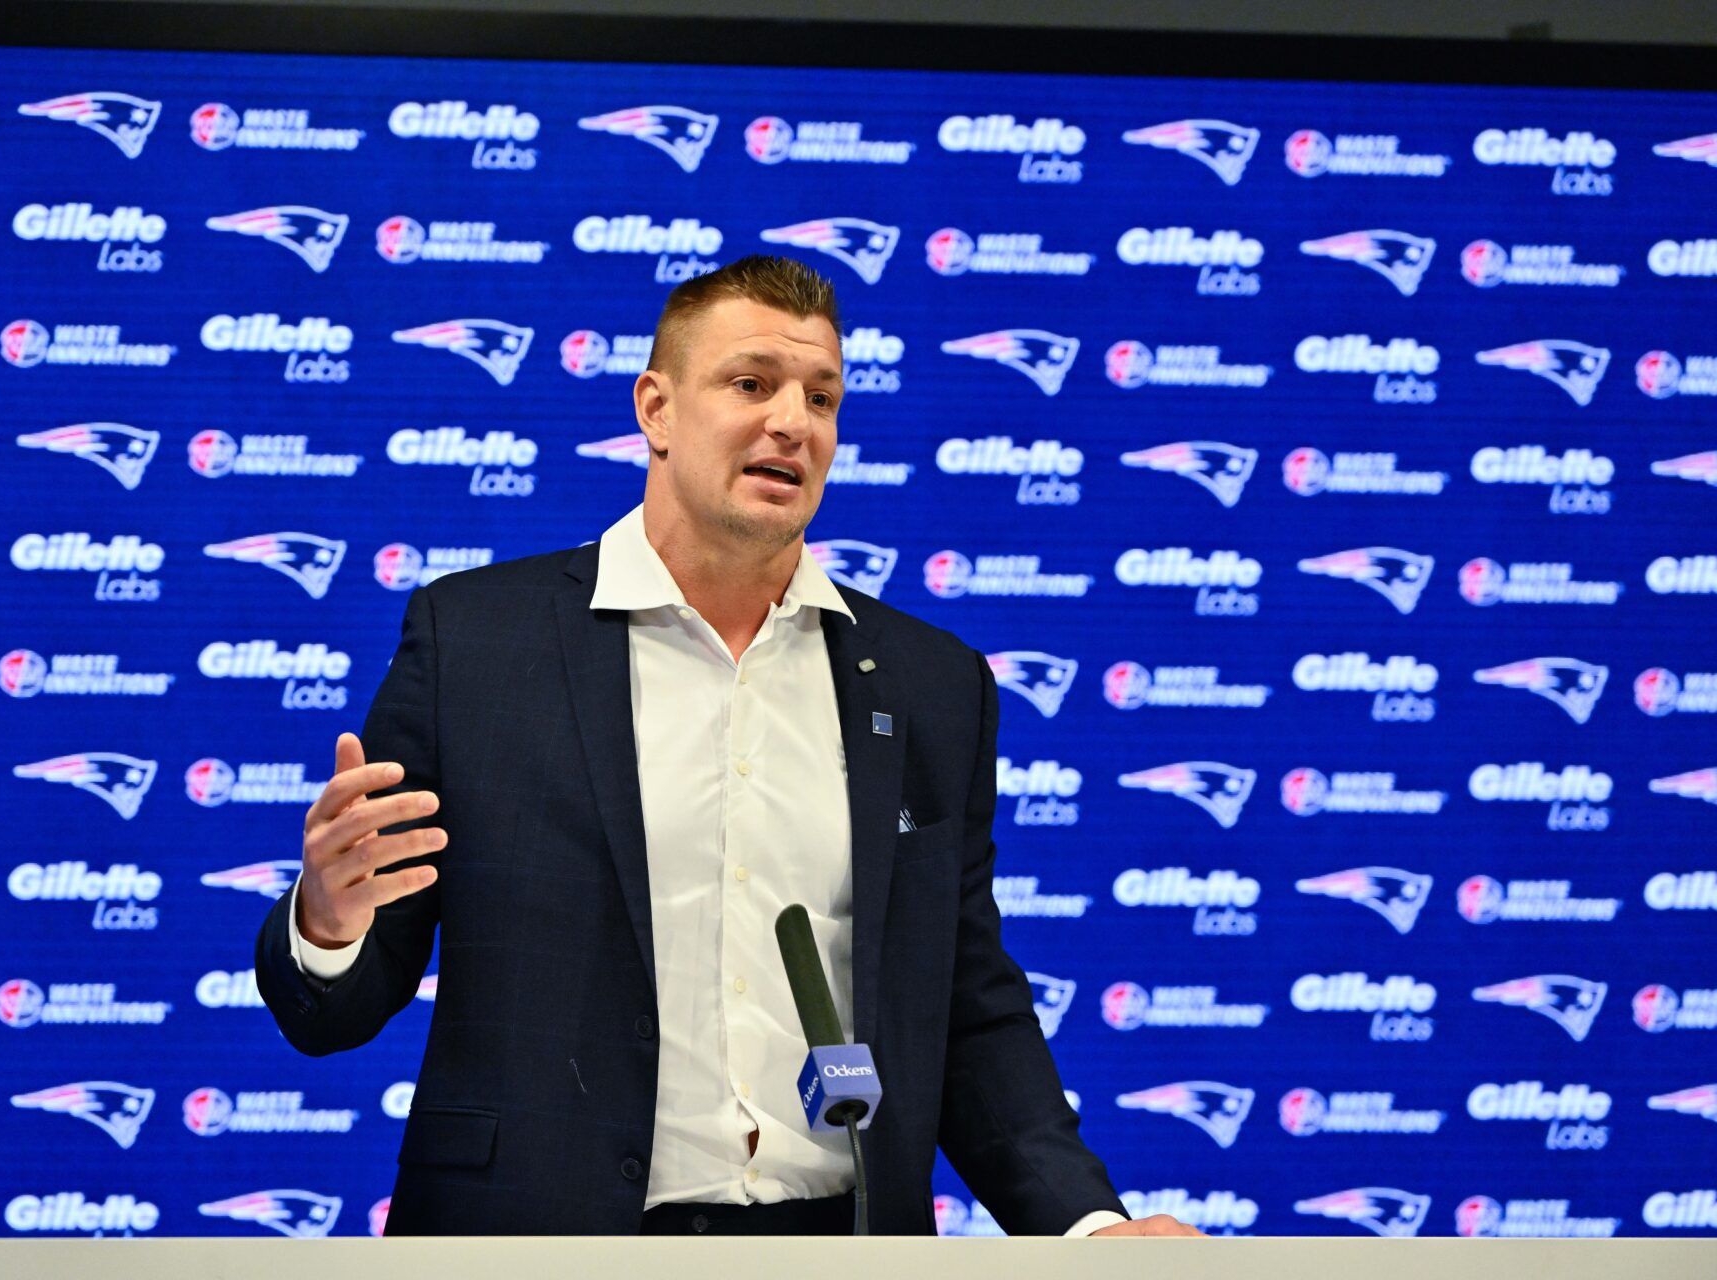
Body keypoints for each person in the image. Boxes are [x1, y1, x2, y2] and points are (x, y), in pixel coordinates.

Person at [254, 255, 1201, 1239]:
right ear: (656, 409)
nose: (793, 420)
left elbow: (964, 1000)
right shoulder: (476, 646)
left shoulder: (930, 684)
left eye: (822, 395)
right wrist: (328, 920)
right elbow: (331, 1013)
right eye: (751, 383)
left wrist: (1090, 1225)